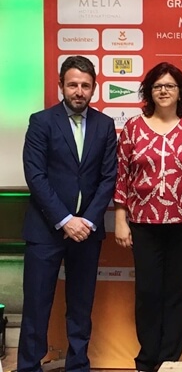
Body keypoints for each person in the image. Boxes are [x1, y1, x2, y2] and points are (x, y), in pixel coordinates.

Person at [113, 62, 182, 372]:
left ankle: (169, 361)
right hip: (144, 224)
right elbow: (122, 176)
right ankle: (147, 360)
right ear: (149, 92)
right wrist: (120, 218)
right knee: (147, 292)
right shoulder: (133, 127)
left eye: (170, 86)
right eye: (158, 86)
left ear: (180, 92)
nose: (164, 91)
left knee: (177, 293)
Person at [18, 55, 117, 372]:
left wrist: (86, 221)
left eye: (85, 85)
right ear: (61, 85)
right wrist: (65, 220)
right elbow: (35, 176)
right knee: (37, 305)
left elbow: (108, 178)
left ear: (94, 88)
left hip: (87, 231)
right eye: (73, 84)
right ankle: (29, 366)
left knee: (81, 306)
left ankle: (77, 365)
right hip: (45, 229)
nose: (79, 91)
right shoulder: (41, 122)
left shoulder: (105, 125)